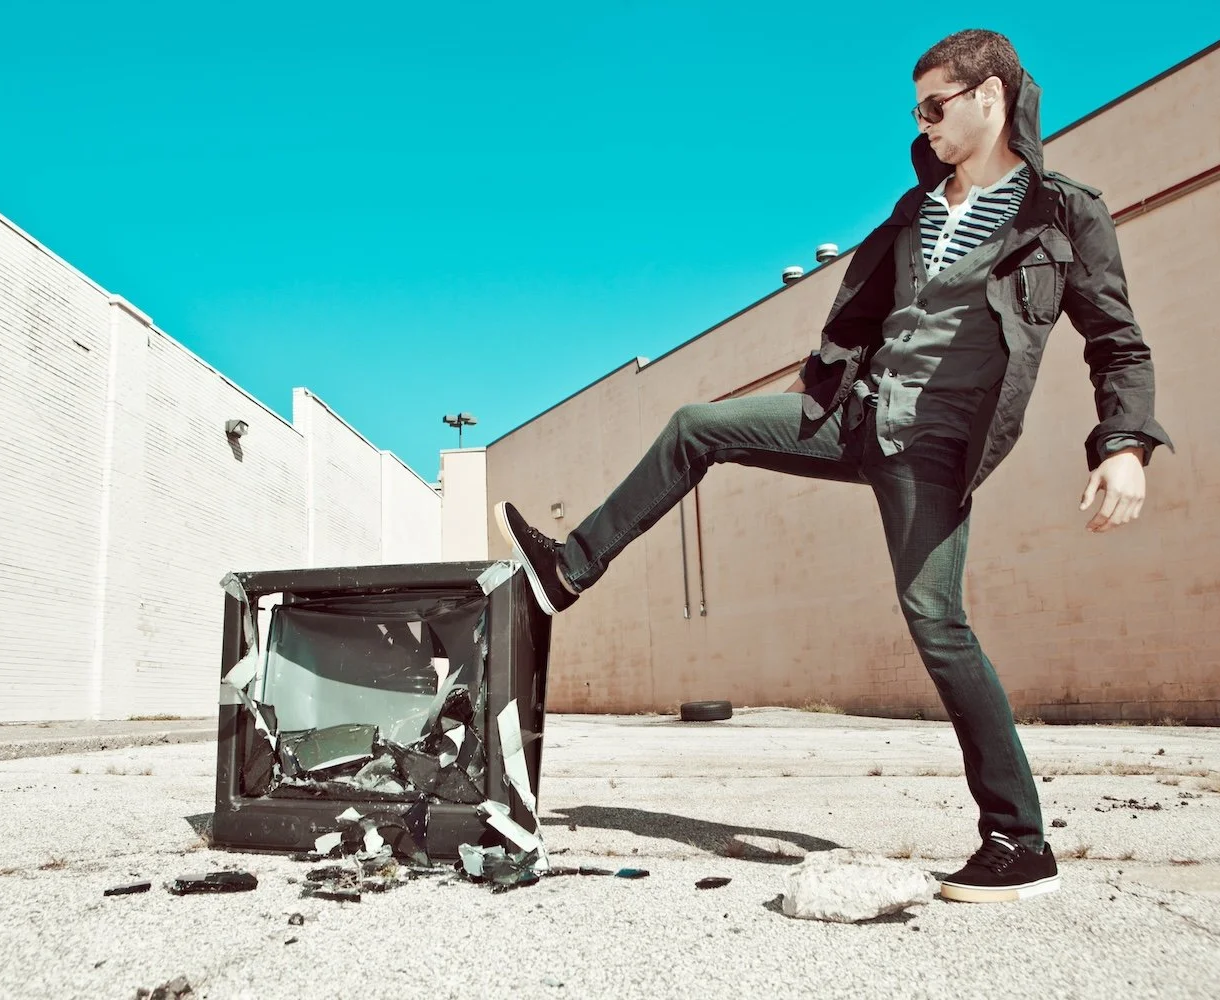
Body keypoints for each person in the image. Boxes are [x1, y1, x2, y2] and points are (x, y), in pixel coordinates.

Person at [493, 29, 1172, 904]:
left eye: (935, 106)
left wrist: (1124, 446)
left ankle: (1019, 841)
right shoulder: (914, 210)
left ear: (990, 97)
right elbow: (861, 319)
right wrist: (820, 382)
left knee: (936, 621)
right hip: (855, 416)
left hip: (936, 446)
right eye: (916, 111)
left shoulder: (1061, 214)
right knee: (697, 425)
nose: (923, 124)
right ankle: (568, 569)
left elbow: (1119, 343)